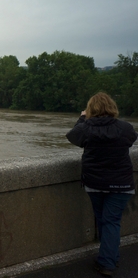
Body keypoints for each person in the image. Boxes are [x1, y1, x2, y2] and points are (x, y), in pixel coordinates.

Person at [66, 92, 137, 277]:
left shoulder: (86, 128)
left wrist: (82, 118)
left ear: (91, 109)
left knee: (104, 220)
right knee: (111, 221)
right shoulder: (125, 128)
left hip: (95, 183)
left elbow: (73, 137)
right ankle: (110, 257)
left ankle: (107, 262)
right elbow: (132, 139)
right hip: (122, 185)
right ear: (112, 107)